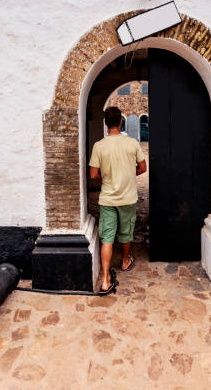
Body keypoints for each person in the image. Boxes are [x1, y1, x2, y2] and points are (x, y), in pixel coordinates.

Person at [89, 105, 147, 294]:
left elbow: (93, 174)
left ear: (105, 124)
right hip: (128, 197)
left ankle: (105, 279)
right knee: (126, 233)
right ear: (121, 122)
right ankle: (124, 261)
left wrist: (107, 177)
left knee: (107, 238)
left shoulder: (99, 146)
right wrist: (130, 173)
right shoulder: (132, 143)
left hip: (107, 199)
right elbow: (143, 167)